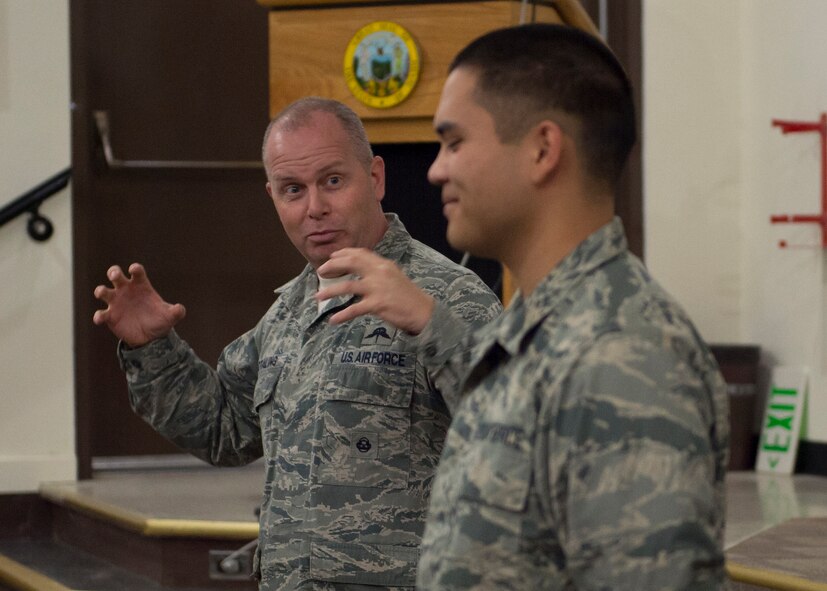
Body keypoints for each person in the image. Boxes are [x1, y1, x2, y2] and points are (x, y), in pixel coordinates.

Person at [315, 24, 730, 590]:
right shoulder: (539, 331)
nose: (436, 169)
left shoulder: (624, 357)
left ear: (542, 150)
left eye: (455, 142)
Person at [91, 97, 502, 590]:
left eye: (332, 181)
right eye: (293, 190)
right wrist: (154, 349)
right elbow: (226, 427)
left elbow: (512, 424)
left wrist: (432, 325)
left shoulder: (448, 295)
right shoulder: (288, 312)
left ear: (374, 177)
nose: (315, 208)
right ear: (273, 197)